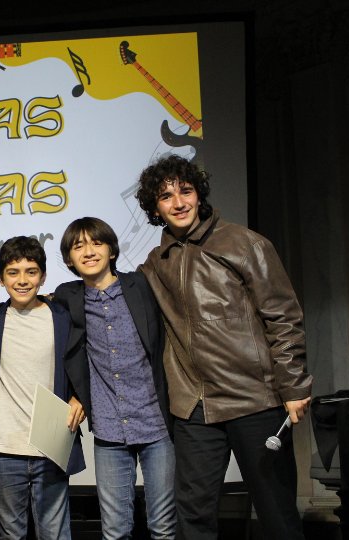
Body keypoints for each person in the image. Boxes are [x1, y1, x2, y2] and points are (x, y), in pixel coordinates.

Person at [135, 155, 312, 540]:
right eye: (165, 196)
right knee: (193, 518)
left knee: (277, 515)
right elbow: (120, 299)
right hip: (195, 406)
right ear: (155, 208)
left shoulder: (244, 242)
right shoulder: (155, 264)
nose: (178, 203)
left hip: (254, 398)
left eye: (185, 191)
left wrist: (294, 385)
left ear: (199, 194)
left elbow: (283, 315)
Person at [54, 217, 176, 540]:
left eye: (97, 243)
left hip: (155, 423)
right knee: (115, 531)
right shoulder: (68, 297)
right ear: (69, 259)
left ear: (111, 250)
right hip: (109, 429)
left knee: (163, 527)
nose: (88, 251)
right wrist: (76, 393)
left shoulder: (140, 286)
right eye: (78, 246)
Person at [0, 236, 86, 540]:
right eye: (13, 272)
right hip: (4, 447)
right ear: (0, 279)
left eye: (31, 272)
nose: (22, 280)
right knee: (11, 535)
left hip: (51, 443)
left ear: (43, 276)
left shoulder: (63, 317)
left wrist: (81, 398)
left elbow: (85, 361)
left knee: (56, 534)